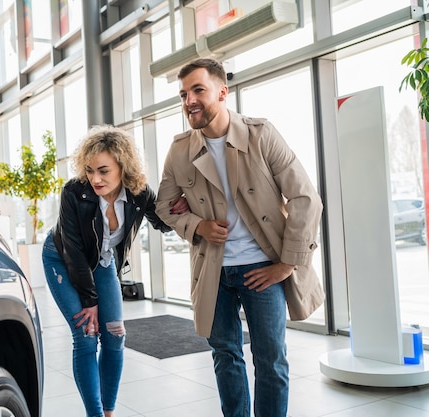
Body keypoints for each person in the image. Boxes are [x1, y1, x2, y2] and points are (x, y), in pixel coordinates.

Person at [155, 58, 325, 417]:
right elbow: (165, 206)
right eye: (183, 94)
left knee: (271, 360)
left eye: (198, 90)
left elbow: (305, 198)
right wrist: (197, 226)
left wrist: (288, 263)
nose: (189, 101)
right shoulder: (180, 149)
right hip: (212, 271)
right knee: (225, 356)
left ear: (222, 91)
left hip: (263, 267)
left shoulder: (261, 134)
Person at [42, 124, 188, 417]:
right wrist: (90, 302)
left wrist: (181, 206)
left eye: (104, 171)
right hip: (63, 259)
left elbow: (161, 221)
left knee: (115, 335)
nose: (95, 178)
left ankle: (109, 412)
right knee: (86, 334)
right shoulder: (74, 192)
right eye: (90, 170)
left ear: (123, 166)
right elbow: (73, 250)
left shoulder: (139, 192)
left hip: (104, 263)